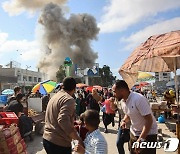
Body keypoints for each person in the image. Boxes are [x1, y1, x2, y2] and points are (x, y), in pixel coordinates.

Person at [111, 80, 157, 154]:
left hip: (148, 134)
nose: (113, 94)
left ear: (122, 91)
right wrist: (124, 121)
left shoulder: (139, 99)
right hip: (134, 133)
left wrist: (141, 139)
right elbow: (129, 114)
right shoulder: (123, 101)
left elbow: (149, 120)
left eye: (114, 92)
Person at [43, 77, 83, 154]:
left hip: (47, 139)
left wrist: (73, 122)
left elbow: (56, 116)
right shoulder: (69, 99)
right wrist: (78, 139)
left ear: (62, 86)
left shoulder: (55, 96)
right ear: (74, 89)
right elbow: (63, 120)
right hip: (59, 143)